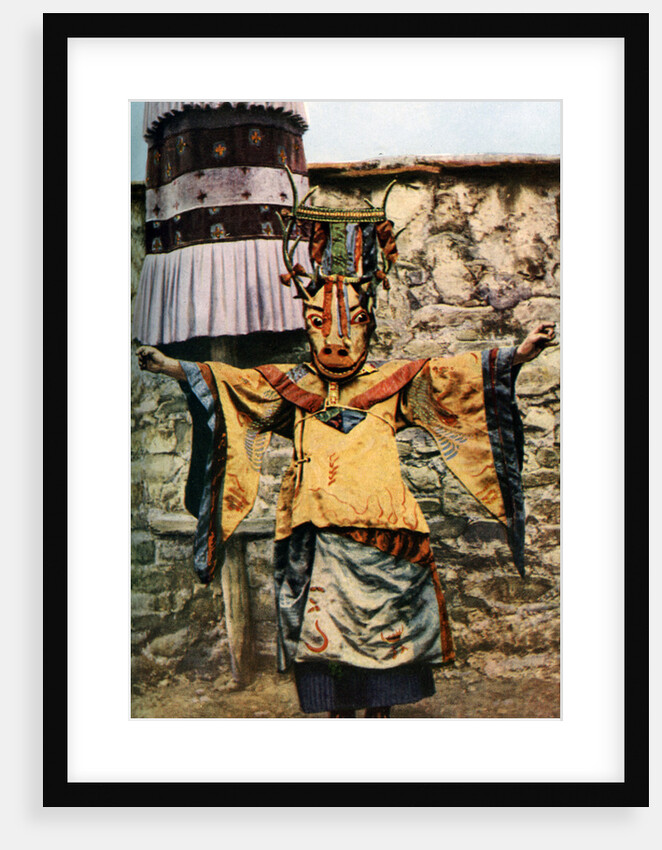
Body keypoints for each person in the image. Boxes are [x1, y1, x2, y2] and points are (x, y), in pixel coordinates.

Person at [136, 175, 555, 718]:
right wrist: (172, 367)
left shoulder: (397, 382)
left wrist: (518, 355)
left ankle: (380, 718)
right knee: (325, 640)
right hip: (319, 534)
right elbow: (231, 384)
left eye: (353, 323)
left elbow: (460, 374)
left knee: (388, 635)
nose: (336, 339)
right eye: (319, 324)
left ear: (368, 327)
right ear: (308, 329)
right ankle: (338, 722)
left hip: (386, 535)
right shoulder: (290, 385)